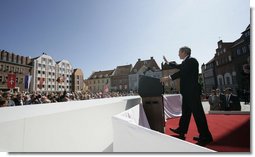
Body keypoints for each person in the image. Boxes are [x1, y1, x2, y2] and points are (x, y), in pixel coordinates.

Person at [160, 46, 213, 146]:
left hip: (192, 92)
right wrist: (168, 63)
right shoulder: (186, 62)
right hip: (187, 93)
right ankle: (181, 131)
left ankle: (206, 136)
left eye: (179, 52)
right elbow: (179, 66)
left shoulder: (192, 61)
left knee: (198, 114)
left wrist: (169, 77)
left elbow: (181, 70)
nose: (178, 54)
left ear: (184, 52)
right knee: (186, 113)